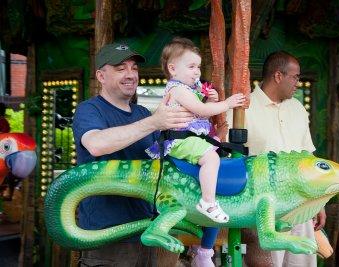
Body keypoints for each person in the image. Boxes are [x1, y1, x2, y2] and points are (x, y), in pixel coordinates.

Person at [72, 43, 195, 266]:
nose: (130, 75)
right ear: (101, 75)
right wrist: (153, 122)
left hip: (146, 230)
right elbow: (96, 144)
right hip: (107, 235)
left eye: (134, 68)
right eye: (121, 68)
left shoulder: (141, 113)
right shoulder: (89, 110)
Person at [227, 51, 326, 267]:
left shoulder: (298, 109)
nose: (297, 83)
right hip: (264, 207)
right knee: (269, 263)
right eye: (295, 77)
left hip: (300, 203)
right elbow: (226, 157)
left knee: (303, 262)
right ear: (278, 76)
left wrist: (317, 201)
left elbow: (307, 156)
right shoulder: (243, 109)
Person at [146, 37, 245, 224]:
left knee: (217, 154)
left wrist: (211, 101)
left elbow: (200, 115)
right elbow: (201, 111)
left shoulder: (190, 89)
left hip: (189, 137)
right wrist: (227, 103)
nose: (197, 72)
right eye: (191, 67)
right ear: (173, 69)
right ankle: (208, 202)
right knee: (211, 158)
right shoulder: (177, 90)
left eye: (198, 67)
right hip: (180, 140)